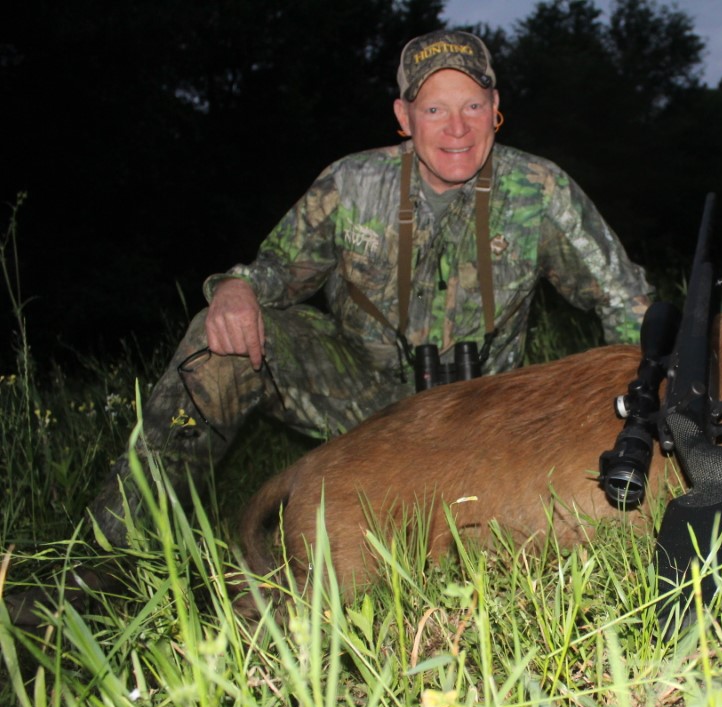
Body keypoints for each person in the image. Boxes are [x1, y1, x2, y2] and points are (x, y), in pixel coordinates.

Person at [89, 29, 652, 546]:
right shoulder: (352, 182)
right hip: (359, 395)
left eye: (472, 107)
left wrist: (651, 389)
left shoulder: (540, 188)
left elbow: (621, 296)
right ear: (403, 116)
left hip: (483, 419)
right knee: (220, 345)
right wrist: (236, 287)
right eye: (434, 109)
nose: (457, 128)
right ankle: (110, 553)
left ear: (495, 110)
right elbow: (278, 271)